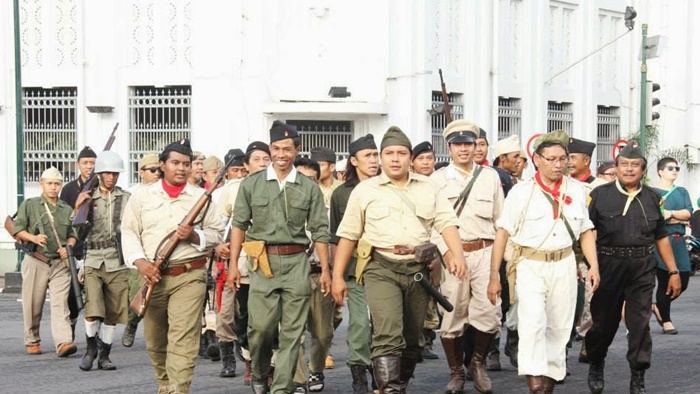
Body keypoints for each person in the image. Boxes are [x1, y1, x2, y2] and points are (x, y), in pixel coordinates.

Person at [332, 126, 468, 393]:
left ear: (410, 158)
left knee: (414, 340)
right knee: (387, 335)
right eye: (389, 153)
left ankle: (398, 384)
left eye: (401, 153)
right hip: (380, 267)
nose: (395, 158)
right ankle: (390, 390)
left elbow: (446, 222)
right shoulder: (365, 190)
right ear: (381, 158)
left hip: (418, 271)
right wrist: (337, 276)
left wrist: (457, 255)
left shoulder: (429, 187)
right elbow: (347, 235)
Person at [487, 131, 600, 394]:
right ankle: (535, 385)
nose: (558, 164)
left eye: (563, 159)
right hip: (530, 264)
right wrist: (494, 275)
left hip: (564, 263)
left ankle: (546, 385)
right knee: (532, 323)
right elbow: (502, 233)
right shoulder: (521, 192)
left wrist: (593, 265)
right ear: (537, 160)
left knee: (560, 327)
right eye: (551, 159)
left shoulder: (577, 190)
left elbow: (585, 231)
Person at [226, 120, 331, 394]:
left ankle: (281, 389)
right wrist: (233, 266)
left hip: (297, 264)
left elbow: (320, 231)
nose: (281, 155)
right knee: (259, 330)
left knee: (292, 335)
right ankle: (260, 372)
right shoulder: (251, 184)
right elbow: (239, 225)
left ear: (297, 150)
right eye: (276, 148)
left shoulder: (309, 188)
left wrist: (328, 272)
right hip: (263, 265)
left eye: (287, 149)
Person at [121, 138, 224, 394]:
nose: (181, 168)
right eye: (175, 163)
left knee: (183, 338)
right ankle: (165, 384)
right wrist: (141, 262)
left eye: (186, 164)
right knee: (156, 340)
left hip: (189, 274)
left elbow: (217, 233)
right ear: (162, 165)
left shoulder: (201, 197)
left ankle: (180, 389)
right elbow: (129, 232)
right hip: (152, 277)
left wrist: (195, 236)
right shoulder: (141, 196)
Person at [585, 145, 682, 394]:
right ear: (616, 167)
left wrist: (673, 272)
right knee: (602, 324)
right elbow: (587, 234)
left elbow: (661, 235)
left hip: (642, 267)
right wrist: (590, 266)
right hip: (608, 265)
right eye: (624, 164)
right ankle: (596, 361)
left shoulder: (652, 198)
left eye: (634, 165)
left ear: (643, 169)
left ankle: (638, 375)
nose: (629, 169)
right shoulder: (599, 196)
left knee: (640, 324)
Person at [431, 120, 504, 394]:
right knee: (452, 315)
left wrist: (501, 266)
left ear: (476, 146)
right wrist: (448, 253)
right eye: (458, 144)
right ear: (448, 147)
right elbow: (432, 225)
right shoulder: (437, 180)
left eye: (469, 144)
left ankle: (478, 364)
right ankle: (456, 372)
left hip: (485, 252)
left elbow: (501, 222)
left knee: (489, 312)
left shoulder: (490, 177)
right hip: (453, 255)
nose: (463, 149)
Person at [329, 134, 379, 394]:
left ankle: (383, 371)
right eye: (367, 155)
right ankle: (359, 374)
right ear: (353, 160)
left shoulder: (388, 185)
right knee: (360, 323)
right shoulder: (341, 194)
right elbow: (338, 237)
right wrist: (337, 275)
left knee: (386, 324)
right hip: (355, 269)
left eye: (375, 154)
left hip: (386, 265)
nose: (373, 160)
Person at [14, 167, 79, 357]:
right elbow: (18, 229)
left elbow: (72, 235)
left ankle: (63, 341)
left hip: (59, 263)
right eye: (49, 183)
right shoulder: (30, 204)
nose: (53, 187)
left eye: (57, 184)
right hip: (36, 260)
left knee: (61, 304)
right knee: (33, 304)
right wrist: (33, 239)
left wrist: (68, 247)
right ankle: (32, 340)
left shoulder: (66, 209)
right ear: (41, 183)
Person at [76, 151, 130, 371]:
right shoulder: (88, 198)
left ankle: (104, 355)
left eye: (115, 173)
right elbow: (75, 229)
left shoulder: (126, 198)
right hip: (93, 260)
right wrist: (78, 207)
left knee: (113, 312)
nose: (111, 177)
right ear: (98, 174)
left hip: (118, 260)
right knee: (92, 308)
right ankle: (90, 349)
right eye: (107, 173)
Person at [291, 156, 336, 393]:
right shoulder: (284, 207)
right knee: (293, 332)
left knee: (322, 331)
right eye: (301, 178)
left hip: (321, 275)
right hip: (292, 275)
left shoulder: (329, 210)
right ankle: (298, 379)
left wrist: (334, 274)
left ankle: (316, 369)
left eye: (311, 179)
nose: (306, 184)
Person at [212, 148, 248, 379]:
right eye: (235, 170)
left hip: (252, 261)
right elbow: (215, 226)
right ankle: (228, 361)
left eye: (243, 170)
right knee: (225, 315)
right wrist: (218, 246)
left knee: (246, 315)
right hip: (227, 263)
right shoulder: (221, 194)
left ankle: (248, 359)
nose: (240, 175)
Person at [651, 157, 693, 334]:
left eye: (677, 168)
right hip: (661, 240)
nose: (675, 171)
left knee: (683, 281)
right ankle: (667, 321)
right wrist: (675, 217)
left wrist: (670, 214)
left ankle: (659, 306)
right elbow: (656, 218)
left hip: (679, 241)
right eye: (670, 168)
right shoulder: (652, 192)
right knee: (664, 280)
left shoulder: (682, 191)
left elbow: (688, 213)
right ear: (660, 171)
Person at [122, 152, 160, 347]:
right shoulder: (133, 195)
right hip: (140, 255)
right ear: (141, 172)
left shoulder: (165, 191)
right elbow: (128, 229)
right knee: (137, 295)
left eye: (159, 170)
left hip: (162, 254)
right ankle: (132, 323)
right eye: (152, 170)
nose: (157, 174)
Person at [60, 146, 97, 338]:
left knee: (96, 294)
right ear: (78, 165)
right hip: (76, 246)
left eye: (92, 162)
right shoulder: (68, 189)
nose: (89, 166)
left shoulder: (100, 185)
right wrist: (77, 207)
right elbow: (63, 218)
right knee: (73, 293)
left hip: (95, 245)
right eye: (85, 163)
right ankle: (71, 327)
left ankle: (95, 336)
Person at [410, 141, 440, 362]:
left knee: (434, 295)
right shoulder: (409, 186)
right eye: (421, 158)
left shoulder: (440, 184)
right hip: (414, 249)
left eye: (429, 158)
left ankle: (427, 339)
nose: (426, 162)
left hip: (438, 247)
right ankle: (415, 340)